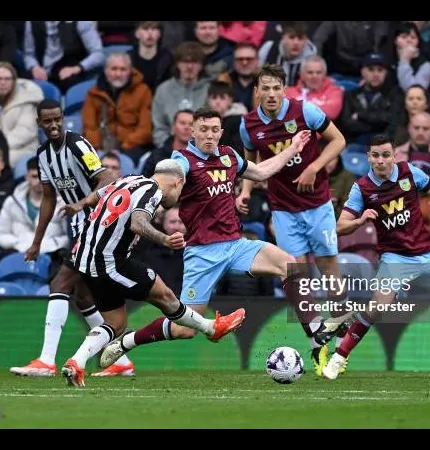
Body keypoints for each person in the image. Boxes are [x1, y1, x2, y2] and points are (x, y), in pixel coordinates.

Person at [95, 108, 347, 371]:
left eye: (215, 130)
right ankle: (127, 342)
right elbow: (165, 177)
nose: (209, 135)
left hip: (236, 244)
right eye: (203, 129)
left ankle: (316, 338)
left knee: (289, 264)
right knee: (185, 329)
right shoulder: (183, 160)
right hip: (203, 252)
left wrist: (293, 148)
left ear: (221, 132)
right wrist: (160, 186)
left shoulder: (228, 155)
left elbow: (260, 173)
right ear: (192, 132)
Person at [322, 133, 430, 380]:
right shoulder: (361, 187)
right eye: (375, 155)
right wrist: (361, 220)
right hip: (395, 258)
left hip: (428, 253)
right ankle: (338, 358)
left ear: (394, 155)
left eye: (385, 155)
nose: (381, 160)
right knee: (377, 308)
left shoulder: (410, 172)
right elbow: (340, 226)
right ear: (368, 158)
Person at [59, 160, 245, 387]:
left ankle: (76, 362)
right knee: (165, 296)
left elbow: (98, 195)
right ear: (178, 183)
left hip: (84, 258)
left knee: (116, 323)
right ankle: (211, 328)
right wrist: (165, 239)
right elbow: (138, 223)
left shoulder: (129, 179)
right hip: (107, 261)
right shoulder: (152, 190)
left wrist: (81, 205)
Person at [235, 63, 348, 376]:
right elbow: (250, 161)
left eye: (276, 88)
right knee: (295, 274)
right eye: (265, 89)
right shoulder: (248, 125)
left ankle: (340, 316)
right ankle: (316, 341)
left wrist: (315, 167)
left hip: (318, 203)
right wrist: (245, 191)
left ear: (284, 89)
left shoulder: (305, 112)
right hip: (283, 208)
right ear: (256, 91)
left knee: (327, 266)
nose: (271, 94)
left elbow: (339, 141)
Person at [9, 98, 128, 377]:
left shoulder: (78, 144)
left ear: (63, 118)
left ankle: (47, 361)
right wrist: (37, 242)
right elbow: (48, 198)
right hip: (80, 224)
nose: (53, 125)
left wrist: (83, 203)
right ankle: (120, 362)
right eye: (47, 121)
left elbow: (106, 177)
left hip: (99, 218)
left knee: (60, 282)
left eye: (57, 119)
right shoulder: (43, 155)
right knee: (84, 296)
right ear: (39, 123)